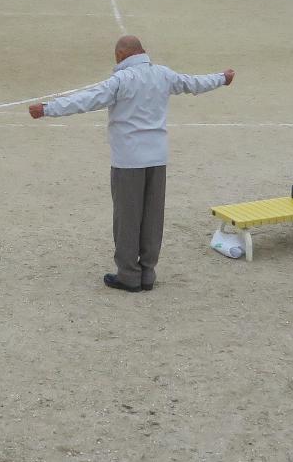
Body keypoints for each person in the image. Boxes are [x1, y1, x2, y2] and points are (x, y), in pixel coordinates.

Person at [29, 35, 235, 292]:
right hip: (158, 158)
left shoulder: (120, 80)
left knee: (128, 217)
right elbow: (194, 83)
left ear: (120, 56)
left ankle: (128, 274)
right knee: (152, 217)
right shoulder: (163, 74)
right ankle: (148, 273)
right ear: (143, 52)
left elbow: (85, 100)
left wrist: (48, 109)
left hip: (128, 160)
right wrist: (222, 78)